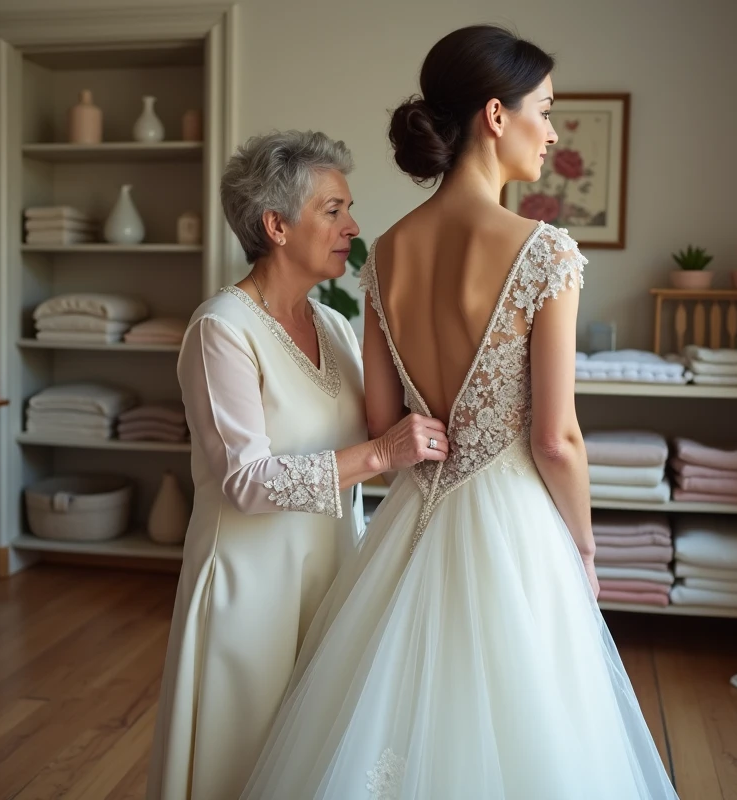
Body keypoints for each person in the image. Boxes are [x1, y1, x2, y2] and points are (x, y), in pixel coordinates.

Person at [242, 26, 679, 798]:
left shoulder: (385, 255)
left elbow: (385, 421)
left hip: (415, 518)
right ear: (496, 115)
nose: (553, 132)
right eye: (546, 110)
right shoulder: (544, 252)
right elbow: (556, 438)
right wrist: (582, 549)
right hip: (515, 522)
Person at [147, 130, 449, 800]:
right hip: (249, 590)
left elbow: (381, 440)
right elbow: (246, 481)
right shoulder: (221, 329)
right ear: (276, 226)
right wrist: (382, 452)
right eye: (333, 210)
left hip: (333, 574)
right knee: (242, 762)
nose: (353, 227)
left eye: (349, 210)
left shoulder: (334, 326)